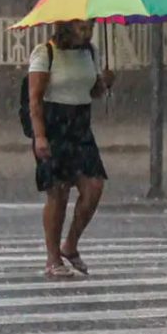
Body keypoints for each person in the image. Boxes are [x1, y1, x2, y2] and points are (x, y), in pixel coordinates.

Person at [28, 20, 114, 279]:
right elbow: (34, 99)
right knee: (59, 193)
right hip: (54, 126)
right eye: (81, 28)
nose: (87, 33)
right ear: (66, 27)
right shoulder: (46, 52)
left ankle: (71, 244)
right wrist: (40, 136)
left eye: (90, 28)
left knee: (94, 187)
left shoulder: (91, 52)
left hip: (80, 126)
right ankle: (53, 258)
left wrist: (106, 82)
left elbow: (94, 91)